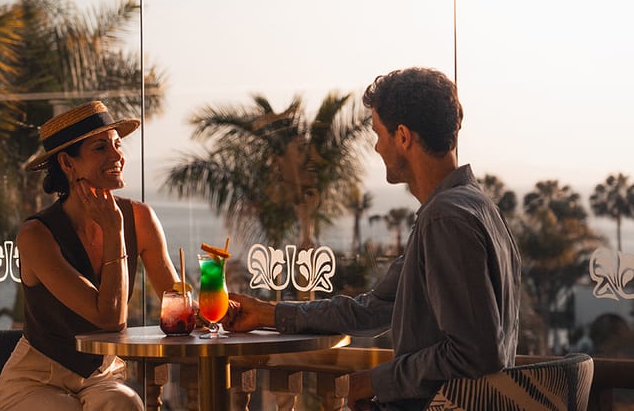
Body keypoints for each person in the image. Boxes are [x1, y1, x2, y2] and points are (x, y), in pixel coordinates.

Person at [223, 67, 521, 411]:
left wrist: (378, 381)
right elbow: (372, 309)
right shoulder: (476, 208)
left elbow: (476, 354)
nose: (377, 147)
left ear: (403, 136)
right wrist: (268, 313)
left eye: (379, 134)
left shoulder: (445, 218)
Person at [0, 101, 181, 411]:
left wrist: (227, 310)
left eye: (117, 144)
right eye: (100, 147)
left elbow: (176, 302)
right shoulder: (37, 235)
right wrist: (113, 231)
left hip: (100, 377)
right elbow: (110, 319)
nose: (117, 156)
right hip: (37, 379)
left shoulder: (140, 218)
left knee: (127, 402)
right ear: (67, 163)